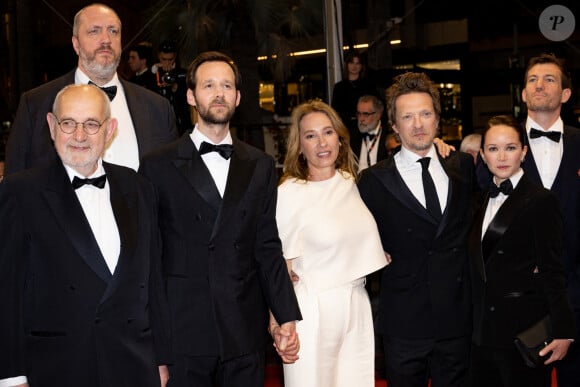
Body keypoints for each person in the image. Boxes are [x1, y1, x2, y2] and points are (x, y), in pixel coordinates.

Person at [138, 51, 302, 387]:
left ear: (238, 97)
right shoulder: (157, 165)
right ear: (191, 95)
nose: (218, 93)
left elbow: (267, 244)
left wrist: (284, 314)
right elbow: (149, 260)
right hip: (184, 331)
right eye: (209, 85)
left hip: (242, 329)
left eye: (227, 86)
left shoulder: (259, 164)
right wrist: (157, 348)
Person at [0, 84, 172, 387]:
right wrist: (12, 376)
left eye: (92, 124)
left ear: (110, 130)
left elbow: (153, 280)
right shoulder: (20, 191)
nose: (79, 136)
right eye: (68, 123)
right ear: (52, 126)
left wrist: (161, 359)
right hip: (57, 367)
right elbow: (7, 291)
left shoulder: (138, 187)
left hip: (133, 363)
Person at [358, 71, 478, 387]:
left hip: (455, 318)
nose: (418, 124)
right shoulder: (373, 180)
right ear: (394, 125)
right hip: (403, 322)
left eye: (425, 114)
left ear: (438, 119)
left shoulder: (463, 167)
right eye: (407, 116)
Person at [476, 53, 580, 387]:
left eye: (550, 79)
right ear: (522, 94)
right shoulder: (501, 146)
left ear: (565, 93)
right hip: (515, 309)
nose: (539, 85)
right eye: (532, 79)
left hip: (576, 293)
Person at [273, 100, 387, 386]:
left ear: (339, 137)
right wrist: (277, 324)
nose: (322, 142)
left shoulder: (350, 182)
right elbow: (278, 267)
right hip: (311, 309)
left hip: (357, 305)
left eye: (328, 132)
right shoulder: (288, 193)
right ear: (299, 146)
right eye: (310, 136)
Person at [5, 3, 178, 175]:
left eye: (113, 31)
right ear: (76, 44)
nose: (106, 40)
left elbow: (171, 186)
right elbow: (14, 189)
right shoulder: (35, 105)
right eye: (94, 31)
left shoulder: (158, 109)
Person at [331, 51, 380, 149]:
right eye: (351, 63)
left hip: (366, 128)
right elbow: (334, 111)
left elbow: (377, 106)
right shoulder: (339, 87)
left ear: (362, 66)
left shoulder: (368, 86)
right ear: (347, 65)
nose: (354, 66)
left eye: (358, 63)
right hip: (346, 129)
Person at [152, 40, 192, 136]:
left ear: (175, 57)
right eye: (163, 59)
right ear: (158, 56)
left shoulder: (183, 74)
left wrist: (175, 87)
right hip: (157, 120)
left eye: (170, 60)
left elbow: (188, 99)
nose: (166, 63)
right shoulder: (152, 74)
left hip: (179, 122)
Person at [353, 94, 389, 172]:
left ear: (378, 115)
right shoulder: (352, 135)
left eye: (366, 114)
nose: (361, 119)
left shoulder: (389, 135)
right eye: (359, 113)